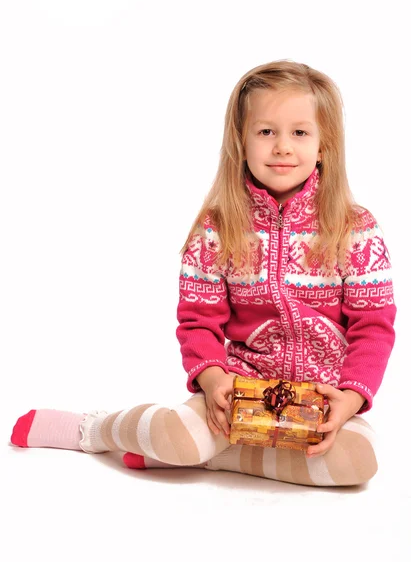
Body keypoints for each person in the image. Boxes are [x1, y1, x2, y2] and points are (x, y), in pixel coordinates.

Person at [10, 59, 396, 487]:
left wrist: (351, 397)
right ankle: (95, 430)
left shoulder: (354, 229)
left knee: (358, 465)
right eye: (266, 131)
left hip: (319, 400)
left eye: (300, 132)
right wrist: (214, 381)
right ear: (241, 141)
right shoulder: (218, 226)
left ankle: (209, 459)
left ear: (324, 146)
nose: (283, 146)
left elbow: (374, 327)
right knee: (173, 433)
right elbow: (197, 320)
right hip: (239, 391)